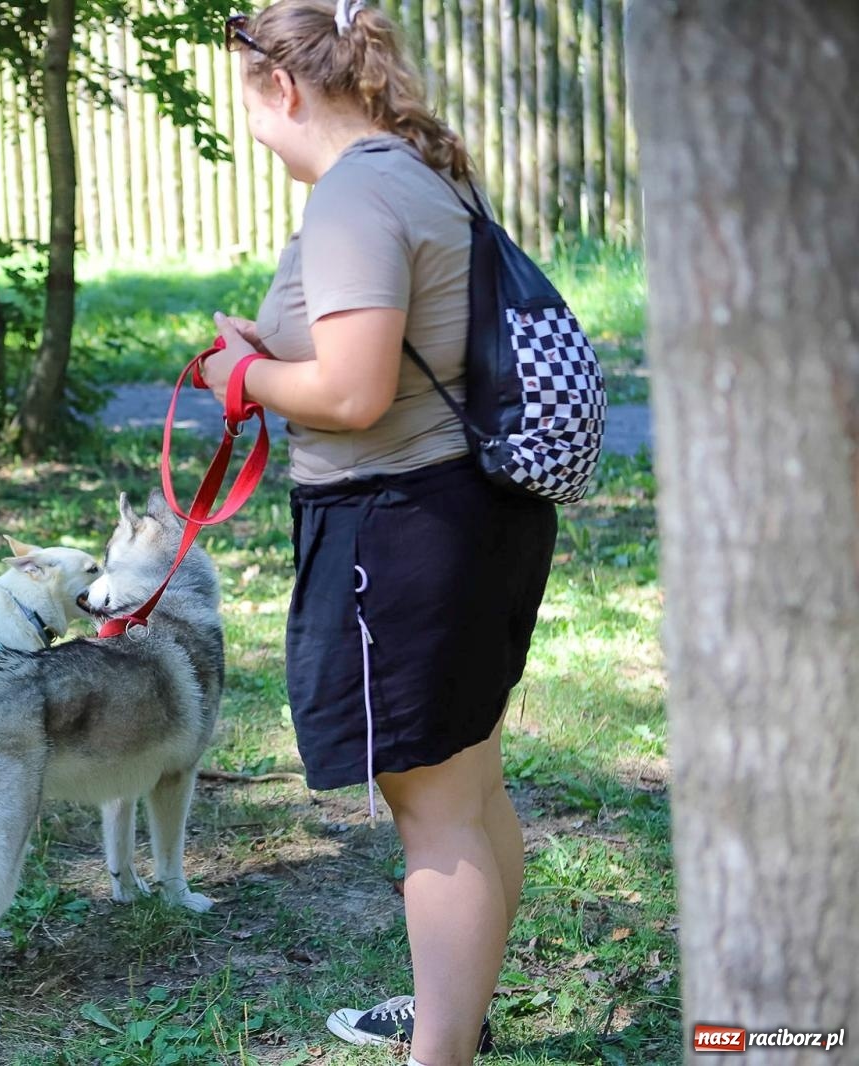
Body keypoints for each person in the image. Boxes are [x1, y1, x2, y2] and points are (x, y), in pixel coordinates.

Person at [202, 5, 558, 1065]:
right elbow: (395, 352)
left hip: (401, 532)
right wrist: (271, 353)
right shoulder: (416, 171)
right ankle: (455, 1013)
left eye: (246, 98)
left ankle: (439, 1049)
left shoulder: (354, 193)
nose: (251, 122)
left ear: (281, 87)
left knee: (435, 815)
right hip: (467, 517)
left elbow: (355, 393)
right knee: (469, 791)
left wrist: (242, 377)